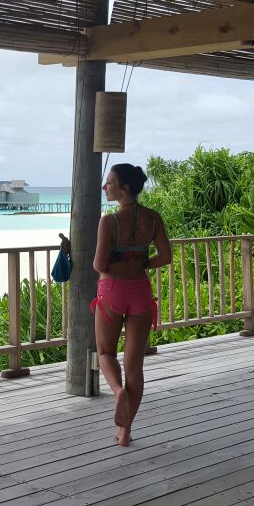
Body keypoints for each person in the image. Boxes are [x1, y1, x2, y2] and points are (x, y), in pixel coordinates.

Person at [92, 163, 172, 447]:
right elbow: (165, 257)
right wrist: (143, 263)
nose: (105, 187)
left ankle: (117, 392)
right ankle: (125, 432)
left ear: (124, 189)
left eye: (110, 183)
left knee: (106, 353)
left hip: (112, 290)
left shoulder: (109, 222)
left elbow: (99, 264)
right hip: (140, 291)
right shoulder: (153, 219)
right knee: (134, 367)